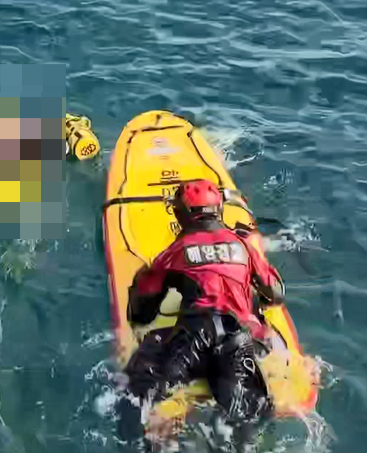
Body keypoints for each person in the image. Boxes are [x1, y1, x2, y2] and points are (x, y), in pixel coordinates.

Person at [117, 179, 286, 452]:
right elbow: (276, 293)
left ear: (181, 215)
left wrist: (142, 279)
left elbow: (142, 314)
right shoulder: (243, 246)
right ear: (218, 211)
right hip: (238, 343)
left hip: (193, 342)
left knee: (137, 390)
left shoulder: (175, 252)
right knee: (245, 424)